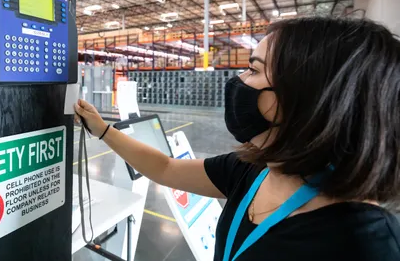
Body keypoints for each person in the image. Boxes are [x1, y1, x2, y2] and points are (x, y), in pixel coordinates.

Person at [74, 17, 400, 261]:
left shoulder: (367, 245)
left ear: (311, 98)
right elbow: (165, 168)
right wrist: (103, 129)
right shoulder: (251, 170)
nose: (239, 81)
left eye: (254, 70)